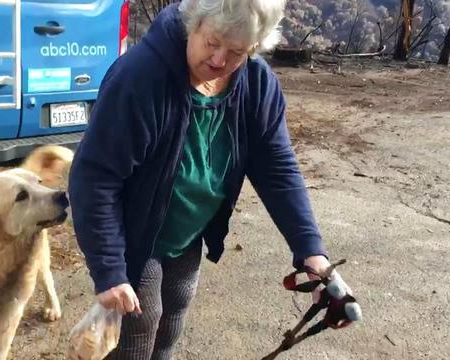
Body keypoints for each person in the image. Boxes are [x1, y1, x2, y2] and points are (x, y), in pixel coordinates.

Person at [68, 0, 352, 359]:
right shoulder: (140, 78)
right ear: (193, 23)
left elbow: (277, 168)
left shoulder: (256, 85)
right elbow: (95, 177)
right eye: (212, 42)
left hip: (188, 229)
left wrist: (312, 254)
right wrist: (109, 267)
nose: (219, 61)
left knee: (174, 314)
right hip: (135, 229)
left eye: (235, 51)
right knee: (141, 322)